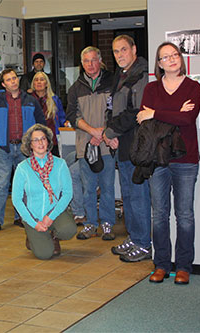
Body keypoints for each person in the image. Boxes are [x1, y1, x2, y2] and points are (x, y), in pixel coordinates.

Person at [137, 42, 200, 284]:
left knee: (184, 215)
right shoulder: (151, 89)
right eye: (166, 57)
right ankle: (161, 264)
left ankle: (184, 266)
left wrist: (157, 112)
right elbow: (145, 121)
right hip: (157, 160)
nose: (172, 59)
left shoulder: (193, 86)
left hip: (186, 160)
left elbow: (188, 119)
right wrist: (173, 111)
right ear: (159, 63)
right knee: (160, 215)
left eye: (175, 55)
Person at [103, 35, 152, 261]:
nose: (120, 55)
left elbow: (136, 112)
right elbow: (111, 108)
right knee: (129, 195)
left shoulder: (141, 75)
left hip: (136, 146)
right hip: (121, 146)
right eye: (115, 51)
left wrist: (111, 132)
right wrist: (109, 133)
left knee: (138, 196)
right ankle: (134, 238)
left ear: (133, 49)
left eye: (123, 50)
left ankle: (143, 243)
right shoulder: (120, 77)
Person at [0, 68, 45, 234]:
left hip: (24, 150)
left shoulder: (30, 100)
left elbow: (40, 124)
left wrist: (35, 143)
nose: (13, 81)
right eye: (8, 80)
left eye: (14, 78)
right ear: (3, 84)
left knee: (24, 186)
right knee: (1, 185)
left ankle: (22, 217)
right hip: (4, 149)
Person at [65, 46, 115, 241]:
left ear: (100, 60)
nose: (90, 65)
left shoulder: (112, 82)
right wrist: (92, 131)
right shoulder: (75, 88)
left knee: (107, 187)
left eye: (94, 60)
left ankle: (107, 224)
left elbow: (115, 110)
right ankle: (90, 225)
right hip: (85, 146)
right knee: (88, 188)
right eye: (86, 61)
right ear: (82, 63)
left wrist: (102, 132)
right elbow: (72, 115)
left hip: (107, 144)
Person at [12, 124, 76, 259]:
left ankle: (53, 235)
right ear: (30, 145)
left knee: (68, 230)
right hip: (33, 217)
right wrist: (33, 223)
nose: (40, 143)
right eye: (36, 140)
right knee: (45, 254)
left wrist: (50, 217)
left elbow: (68, 193)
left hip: (54, 212)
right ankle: (32, 236)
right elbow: (16, 199)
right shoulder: (22, 168)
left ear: (48, 142)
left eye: (43, 139)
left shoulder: (60, 164)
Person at [29, 71, 66, 157]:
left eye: (42, 80)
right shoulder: (28, 100)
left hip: (52, 140)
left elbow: (61, 118)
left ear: (46, 83)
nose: (39, 82)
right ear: (33, 84)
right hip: (33, 141)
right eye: (36, 80)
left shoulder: (54, 99)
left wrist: (66, 123)